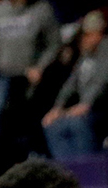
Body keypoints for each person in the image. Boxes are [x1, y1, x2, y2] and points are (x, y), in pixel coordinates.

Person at [0, 0, 62, 165]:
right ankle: (3, 164)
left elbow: (54, 44)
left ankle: (40, 162)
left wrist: (40, 66)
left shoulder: (42, 9)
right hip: (4, 78)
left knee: (32, 127)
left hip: (32, 79)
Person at [44, 11, 108, 159]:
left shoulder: (106, 51)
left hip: (100, 108)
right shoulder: (85, 56)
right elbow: (71, 83)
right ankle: (67, 170)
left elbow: (102, 82)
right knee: (52, 124)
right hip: (82, 108)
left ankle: (87, 170)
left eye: (89, 34)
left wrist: (86, 103)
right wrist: (57, 107)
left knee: (76, 124)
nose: (85, 39)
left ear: (99, 33)